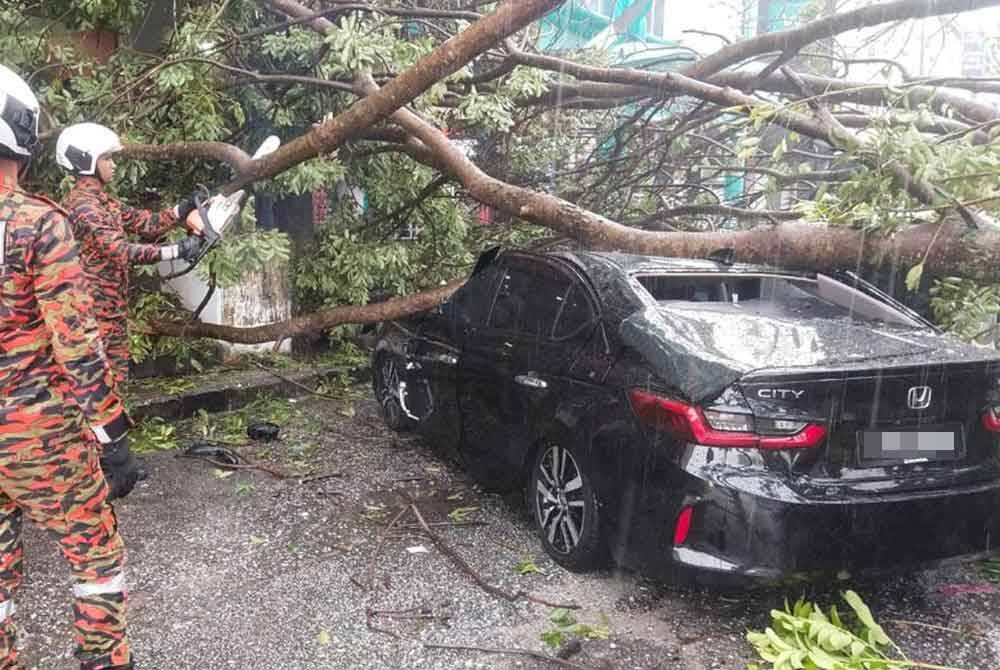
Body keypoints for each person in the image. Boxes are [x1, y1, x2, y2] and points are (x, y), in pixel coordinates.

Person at [0, 65, 137, 670]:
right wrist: (112, 434)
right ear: (24, 137)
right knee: (95, 558)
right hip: (40, 435)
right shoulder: (39, 223)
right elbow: (78, 344)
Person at [57, 122, 204, 384]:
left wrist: (182, 209)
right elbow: (120, 250)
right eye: (107, 158)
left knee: (115, 384)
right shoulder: (84, 208)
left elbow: (145, 223)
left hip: (111, 311)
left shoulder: (103, 201)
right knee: (98, 387)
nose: (113, 164)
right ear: (86, 160)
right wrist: (178, 250)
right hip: (94, 314)